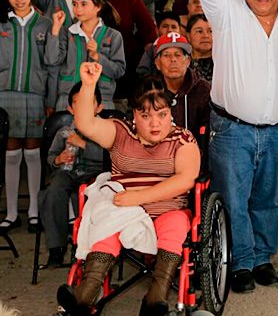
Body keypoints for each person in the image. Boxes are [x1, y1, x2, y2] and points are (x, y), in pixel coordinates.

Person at [191, 0, 278, 293]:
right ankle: (240, 261)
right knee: (234, 198)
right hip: (232, 129)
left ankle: (262, 258)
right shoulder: (227, 13)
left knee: (267, 200)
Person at [56, 63, 200, 316]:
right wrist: (89, 85)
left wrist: (139, 198)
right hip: (122, 212)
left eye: (162, 114)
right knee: (106, 225)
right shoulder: (120, 131)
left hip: (164, 211)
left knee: (176, 224)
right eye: (146, 116)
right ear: (134, 115)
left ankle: (156, 297)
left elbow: (186, 180)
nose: (155, 123)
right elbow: (86, 124)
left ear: (170, 113)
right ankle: (85, 294)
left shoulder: (183, 139)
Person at [0, 0, 55, 234]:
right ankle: (12, 214)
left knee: (33, 153)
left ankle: (34, 210)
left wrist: (51, 99)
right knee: (11, 153)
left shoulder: (45, 25)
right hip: (5, 96)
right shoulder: (2, 25)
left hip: (35, 96)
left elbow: (52, 65)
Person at [39, 82, 106, 267]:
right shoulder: (64, 132)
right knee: (53, 191)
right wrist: (58, 159)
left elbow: (108, 157)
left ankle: (89, 248)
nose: (83, 107)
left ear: (99, 107)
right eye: (78, 102)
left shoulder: (104, 129)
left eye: (89, 102)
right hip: (68, 172)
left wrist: (83, 144)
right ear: (70, 107)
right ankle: (56, 247)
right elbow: (50, 156)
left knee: (85, 195)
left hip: (95, 172)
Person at [46, 0, 126, 110]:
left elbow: (118, 71)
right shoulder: (67, 32)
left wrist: (97, 57)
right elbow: (52, 60)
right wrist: (55, 29)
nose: (78, 9)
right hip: (68, 98)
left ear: (98, 7)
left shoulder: (113, 35)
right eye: (75, 4)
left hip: (101, 100)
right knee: (67, 130)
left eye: (84, 4)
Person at [152, 33, 211, 134]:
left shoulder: (203, 89)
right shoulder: (149, 88)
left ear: (188, 61)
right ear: (158, 63)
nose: (173, 59)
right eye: (166, 55)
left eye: (178, 54)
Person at [186, 14, 213, 81]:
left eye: (210, 31)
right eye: (199, 31)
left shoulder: (224, 62)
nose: (205, 36)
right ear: (188, 36)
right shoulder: (182, 63)